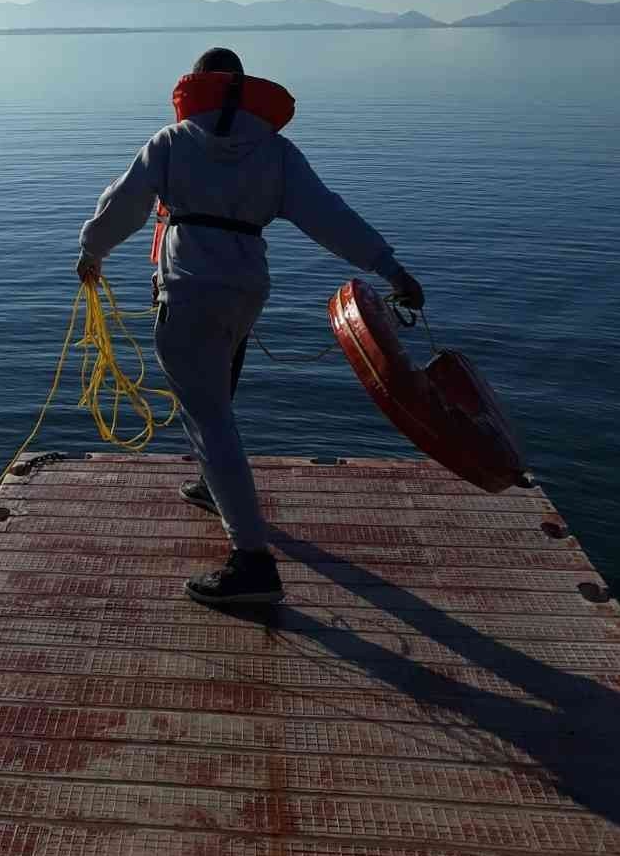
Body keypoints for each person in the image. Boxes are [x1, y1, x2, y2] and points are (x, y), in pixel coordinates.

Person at [77, 47, 423, 609]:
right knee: (217, 397)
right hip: (245, 293)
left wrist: (91, 251)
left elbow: (123, 205)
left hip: (189, 291)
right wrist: (391, 267)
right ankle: (216, 489)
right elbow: (331, 217)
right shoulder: (277, 152)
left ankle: (253, 563)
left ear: (198, 84)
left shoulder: (172, 141)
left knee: (207, 414)